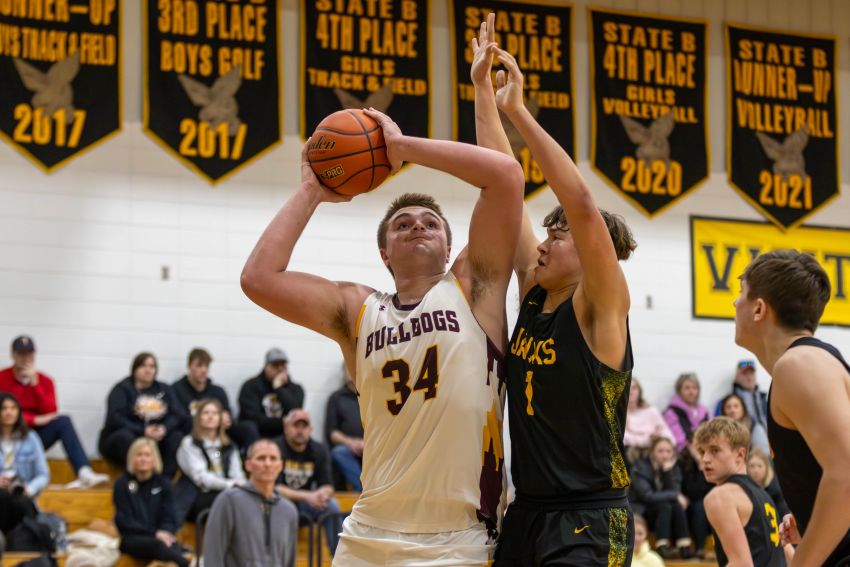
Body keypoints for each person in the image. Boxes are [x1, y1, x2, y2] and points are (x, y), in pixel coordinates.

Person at [240, 103, 523, 564]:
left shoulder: (474, 288)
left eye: (430, 223)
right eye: (402, 224)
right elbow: (259, 279)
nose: (417, 225)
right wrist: (312, 188)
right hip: (369, 532)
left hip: (458, 537)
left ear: (449, 247)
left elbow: (506, 176)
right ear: (384, 253)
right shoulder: (357, 309)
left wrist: (403, 147)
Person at [469, 15, 636, 565]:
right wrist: (483, 94)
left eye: (557, 234)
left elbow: (584, 206)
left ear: (591, 256)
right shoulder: (535, 290)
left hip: (590, 514)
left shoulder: (599, 308)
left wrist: (521, 110)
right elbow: (502, 183)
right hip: (529, 511)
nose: (542, 243)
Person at [734, 250, 850, 565]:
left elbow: (846, 473)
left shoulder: (798, 364)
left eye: (740, 294)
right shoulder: (809, 363)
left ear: (759, 309)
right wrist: (815, 519)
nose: (734, 303)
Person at [0, 335, 109, 488]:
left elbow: (50, 412)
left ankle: (84, 471)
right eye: (21, 354)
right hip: (7, 435)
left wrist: (35, 384)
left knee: (63, 421)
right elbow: (4, 412)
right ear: (13, 355)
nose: (26, 358)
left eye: (29, 354)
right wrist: (33, 420)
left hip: (32, 438)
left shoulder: (44, 380)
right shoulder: (2, 378)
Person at [695, 417, 789, 566]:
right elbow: (789, 554)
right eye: (702, 451)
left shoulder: (720, 496)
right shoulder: (764, 496)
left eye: (715, 450)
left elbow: (741, 564)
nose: (705, 458)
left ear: (740, 455)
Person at [203, 439, 299, 567]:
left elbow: (289, 561)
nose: (268, 464)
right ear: (248, 465)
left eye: (273, 458)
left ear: (280, 466)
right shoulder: (229, 501)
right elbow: (213, 556)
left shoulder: (289, 511)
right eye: (261, 458)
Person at [98, 352, 188, 477]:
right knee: (125, 437)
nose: (148, 370)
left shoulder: (164, 389)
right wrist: (143, 431)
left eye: (152, 366)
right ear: (134, 369)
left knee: (177, 436)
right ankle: (133, 478)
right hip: (127, 437)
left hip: (158, 436)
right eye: (143, 366)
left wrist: (164, 428)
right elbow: (115, 418)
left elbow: (178, 414)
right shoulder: (121, 389)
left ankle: (164, 481)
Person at [112, 438, 189, 567]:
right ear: (132, 458)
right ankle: (188, 564)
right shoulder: (122, 483)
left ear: (154, 459)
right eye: (139, 455)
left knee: (170, 546)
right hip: (132, 538)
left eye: (147, 455)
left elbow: (170, 516)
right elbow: (123, 519)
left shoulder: (164, 483)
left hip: (160, 536)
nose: (143, 459)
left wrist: (164, 531)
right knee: (160, 546)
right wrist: (154, 533)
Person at [275, 409, 342, 555]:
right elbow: (275, 488)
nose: (300, 431)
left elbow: (328, 485)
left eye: (304, 426)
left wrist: (321, 494)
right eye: (295, 426)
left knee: (332, 505)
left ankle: (339, 560)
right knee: (283, 506)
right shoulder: (276, 448)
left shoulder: (319, 450)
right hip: (279, 502)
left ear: (310, 429)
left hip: (306, 504)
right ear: (286, 428)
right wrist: (308, 496)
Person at [172, 348, 260, 451]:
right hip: (191, 431)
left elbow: (228, 416)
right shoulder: (176, 389)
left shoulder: (218, 391)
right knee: (175, 436)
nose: (204, 370)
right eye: (199, 365)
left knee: (248, 427)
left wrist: (227, 419)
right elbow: (178, 418)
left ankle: (253, 461)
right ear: (189, 366)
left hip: (219, 431)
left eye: (206, 366)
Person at [174, 398, 245, 525]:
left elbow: (238, 474)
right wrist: (229, 485)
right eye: (206, 413)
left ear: (220, 418)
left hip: (227, 493)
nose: (210, 417)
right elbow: (201, 478)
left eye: (215, 413)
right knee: (233, 503)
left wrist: (239, 485)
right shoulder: (189, 443)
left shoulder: (229, 445)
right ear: (198, 418)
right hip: (197, 496)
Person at [629, 436, 692, 559]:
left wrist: (667, 472)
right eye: (660, 451)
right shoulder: (640, 468)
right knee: (666, 505)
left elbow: (675, 492)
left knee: (674, 505)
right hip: (642, 510)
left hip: (664, 512)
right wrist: (675, 495)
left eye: (668, 451)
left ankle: (684, 546)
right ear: (652, 452)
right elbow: (647, 496)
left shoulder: (673, 468)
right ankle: (662, 547)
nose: (665, 455)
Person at [0, 393, 48, 537]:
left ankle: (23, 543)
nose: (9, 412)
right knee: (2, 497)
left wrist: (30, 488)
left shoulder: (31, 437)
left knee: (20, 502)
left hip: (21, 492)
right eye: (4, 408)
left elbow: (43, 474)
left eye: (13, 408)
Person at [238, 348, 304, 438]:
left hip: (285, 437)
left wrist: (279, 388)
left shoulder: (296, 389)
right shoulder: (251, 386)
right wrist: (282, 422)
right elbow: (253, 417)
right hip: (259, 434)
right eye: (275, 365)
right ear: (266, 366)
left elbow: (295, 413)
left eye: (283, 365)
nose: (280, 369)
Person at [324, 366, 363, 491]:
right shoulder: (336, 398)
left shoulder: (372, 395)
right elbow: (332, 433)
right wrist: (350, 442)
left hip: (373, 446)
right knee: (339, 452)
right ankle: (364, 489)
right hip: (348, 448)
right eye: (347, 368)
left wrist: (368, 445)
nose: (351, 371)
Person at [624, 378, 675, 464]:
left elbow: (671, 438)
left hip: (654, 454)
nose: (631, 391)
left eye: (634, 388)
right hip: (630, 454)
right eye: (627, 387)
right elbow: (622, 438)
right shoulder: (617, 413)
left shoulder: (651, 411)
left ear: (639, 391)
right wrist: (647, 439)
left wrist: (658, 439)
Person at [714, 360, 769, 430]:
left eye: (751, 373)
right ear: (736, 377)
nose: (749, 377)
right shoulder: (726, 403)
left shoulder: (765, 400)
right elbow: (718, 428)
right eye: (744, 373)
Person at [747, 449, 790, 518]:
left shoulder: (775, 490)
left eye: (759, 466)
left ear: (766, 468)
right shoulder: (743, 489)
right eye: (752, 466)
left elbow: (783, 511)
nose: (756, 470)